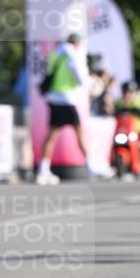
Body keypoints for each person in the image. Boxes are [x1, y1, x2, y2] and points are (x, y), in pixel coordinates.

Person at [37, 32, 89, 185]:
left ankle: (43, 168)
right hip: (67, 98)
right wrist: (88, 85)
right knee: (79, 131)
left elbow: (47, 70)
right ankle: (91, 165)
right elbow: (79, 76)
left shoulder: (55, 53)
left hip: (53, 98)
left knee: (52, 134)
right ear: (77, 43)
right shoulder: (72, 53)